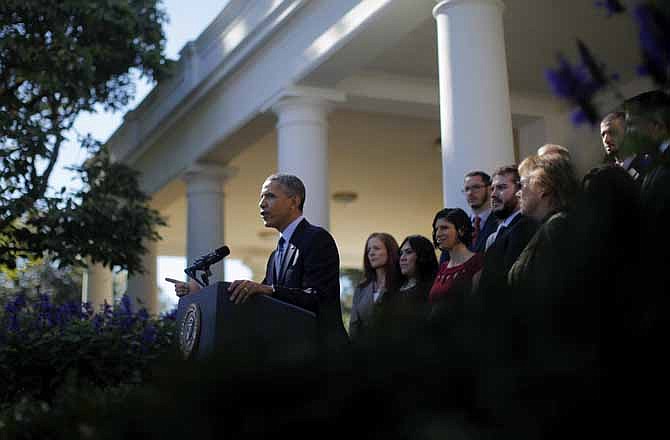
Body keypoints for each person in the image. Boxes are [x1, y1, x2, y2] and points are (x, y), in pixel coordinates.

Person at [171, 173, 349, 359]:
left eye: (270, 196)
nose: (262, 204)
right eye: (261, 197)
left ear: (294, 201)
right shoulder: (275, 255)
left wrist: (269, 290)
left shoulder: (316, 239)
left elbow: (318, 298)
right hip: (288, 359)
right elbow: (258, 302)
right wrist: (201, 295)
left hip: (321, 357)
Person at [428, 208, 484, 325]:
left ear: (461, 230)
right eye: (436, 229)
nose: (438, 234)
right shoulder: (443, 267)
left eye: (444, 228)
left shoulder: (477, 262)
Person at [348, 232, 400, 343]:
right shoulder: (361, 288)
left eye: (376, 248)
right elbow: (353, 327)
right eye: (369, 250)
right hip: (364, 353)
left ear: (390, 251)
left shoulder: (402, 285)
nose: (371, 253)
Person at [462, 171, 498, 253]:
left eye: (476, 187)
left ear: (490, 189)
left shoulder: (501, 222)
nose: (470, 193)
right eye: (467, 189)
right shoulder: (460, 227)